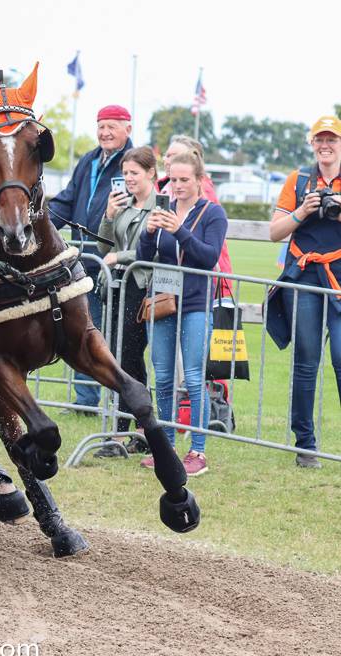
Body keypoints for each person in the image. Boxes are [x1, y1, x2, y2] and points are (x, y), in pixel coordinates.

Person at [137, 151, 228, 476]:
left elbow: (208, 256)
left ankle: (198, 452)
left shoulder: (213, 213)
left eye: (184, 180)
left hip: (194, 304)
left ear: (199, 180)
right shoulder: (164, 209)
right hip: (162, 300)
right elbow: (144, 256)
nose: (177, 186)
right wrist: (148, 232)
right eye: (173, 179)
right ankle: (168, 448)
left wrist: (179, 231)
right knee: (162, 376)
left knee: (193, 377)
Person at [267, 115, 341, 469]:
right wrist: (302, 211)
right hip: (305, 276)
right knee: (306, 362)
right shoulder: (298, 180)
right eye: (319, 140)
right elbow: (274, 232)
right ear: (312, 143)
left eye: (332, 140)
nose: (325, 145)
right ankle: (305, 444)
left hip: (339, 278)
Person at [49, 104, 133, 414]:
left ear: (128, 129)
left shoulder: (132, 163)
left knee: (115, 335)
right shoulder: (89, 160)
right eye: (101, 126)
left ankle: (121, 400)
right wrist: (40, 224)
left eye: (112, 126)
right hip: (82, 261)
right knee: (80, 328)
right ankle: (85, 400)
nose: (105, 132)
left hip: (116, 263)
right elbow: (68, 200)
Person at [93, 147, 159, 457]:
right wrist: (108, 216)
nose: (129, 179)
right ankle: (137, 428)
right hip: (116, 286)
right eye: (125, 173)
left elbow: (155, 250)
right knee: (117, 356)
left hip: (141, 286)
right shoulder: (125, 204)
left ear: (151, 173)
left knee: (129, 356)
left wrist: (120, 256)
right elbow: (103, 245)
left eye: (135, 173)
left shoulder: (160, 206)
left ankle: (130, 429)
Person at [159, 135, 234, 297]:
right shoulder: (164, 191)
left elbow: (210, 248)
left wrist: (178, 230)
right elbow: (147, 253)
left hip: (198, 289)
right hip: (165, 291)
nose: (168, 160)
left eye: (175, 156)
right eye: (167, 155)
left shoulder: (206, 199)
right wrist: (149, 233)